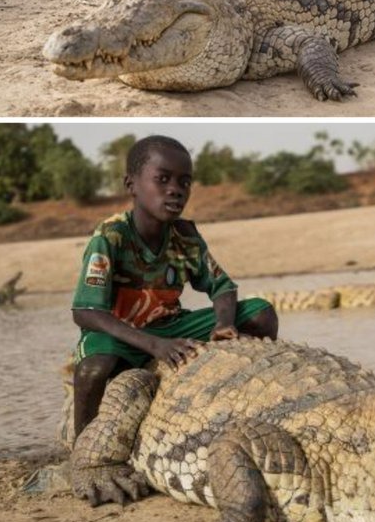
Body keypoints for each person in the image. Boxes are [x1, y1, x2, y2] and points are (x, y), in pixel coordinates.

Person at [70, 134, 278, 438]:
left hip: (171, 325)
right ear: (132, 185)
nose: (175, 191)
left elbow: (222, 286)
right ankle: (82, 447)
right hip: (120, 333)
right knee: (93, 369)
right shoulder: (110, 236)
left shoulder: (185, 234)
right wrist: (155, 346)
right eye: (163, 179)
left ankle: (241, 401)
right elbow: (86, 312)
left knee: (262, 313)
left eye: (184, 182)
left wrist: (224, 323)